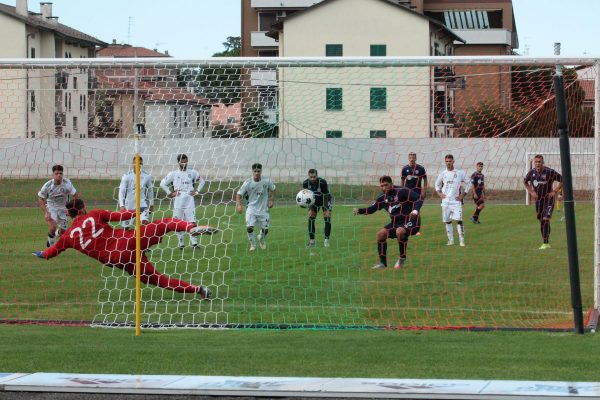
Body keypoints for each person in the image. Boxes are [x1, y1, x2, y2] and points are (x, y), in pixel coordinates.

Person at [31, 199, 215, 299]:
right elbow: (122, 216)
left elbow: (51, 252)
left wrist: (40, 254)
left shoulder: (68, 237)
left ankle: (198, 290)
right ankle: (191, 228)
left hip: (117, 260)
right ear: (82, 209)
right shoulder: (94, 214)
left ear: (70, 215)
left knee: (159, 280)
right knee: (165, 224)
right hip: (127, 242)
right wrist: (137, 211)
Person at [353, 175, 423, 270]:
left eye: (386, 185)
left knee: (400, 231)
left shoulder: (402, 191)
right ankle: (383, 263)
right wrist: (359, 211)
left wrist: (415, 210)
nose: (384, 188)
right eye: (382, 186)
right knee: (380, 234)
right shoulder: (382, 198)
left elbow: (419, 198)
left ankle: (402, 258)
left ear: (391, 184)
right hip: (395, 223)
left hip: (411, 221)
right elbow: (371, 209)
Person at [160, 154, 205, 249]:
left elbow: (202, 181)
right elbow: (162, 184)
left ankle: (194, 244)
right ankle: (181, 244)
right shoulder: (173, 174)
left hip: (189, 199)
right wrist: (170, 193)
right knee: (178, 223)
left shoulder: (192, 172)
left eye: (186, 161)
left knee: (192, 222)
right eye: (182, 162)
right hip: (178, 200)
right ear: (178, 162)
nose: (184, 163)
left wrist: (197, 192)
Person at [523, 154, 563, 250]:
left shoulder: (549, 172)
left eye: (539, 162)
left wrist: (555, 191)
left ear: (543, 162)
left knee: (545, 219)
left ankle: (546, 243)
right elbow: (525, 181)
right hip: (538, 200)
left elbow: (562, 179)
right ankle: (546, 239)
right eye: (536, 162)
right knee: (542, 221)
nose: (537, 164)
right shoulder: (531, 173)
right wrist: (531, 191)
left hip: (548, 199)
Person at [236, 163, 276, 251]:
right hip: (251, 209)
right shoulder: (248, 182)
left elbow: (273, 189)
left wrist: (272, 200)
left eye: (258, 171)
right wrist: (239, 205)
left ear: (261, 171)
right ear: (252, 172)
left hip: (263, 210)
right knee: (249, 228)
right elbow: (239, 194)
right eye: (255, 171)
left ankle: (261, 239)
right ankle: (253, 245)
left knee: (265, 230)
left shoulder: (267, 181)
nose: (257, 173)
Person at [434, 154, 471, 247]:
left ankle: (462, 241)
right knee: (447, 221)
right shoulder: (443, 173)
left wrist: (463, 194)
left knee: (459, 220)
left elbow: (469, 183)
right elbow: (436, 184)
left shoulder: (460, 173)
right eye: (446, 161)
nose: (448, 163)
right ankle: (451, 241)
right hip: (445, 202)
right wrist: (439, 193)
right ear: (445, 162)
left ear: (453, 161)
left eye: (450, 161)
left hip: (456, 201)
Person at [38, 164, 78, 247]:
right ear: (53, 175)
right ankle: (51, 247)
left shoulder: (67, 183)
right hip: (51, 207)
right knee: (52, 228)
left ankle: (53, 237)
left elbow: (75, 195)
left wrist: (71, 208)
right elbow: (40, 198)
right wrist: (46, 212)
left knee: (62, 232)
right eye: (56, 173)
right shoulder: (48, 185)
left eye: (60, 173)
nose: (59, 175)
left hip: (63, 208)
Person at [118, 156, 155, 229]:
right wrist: (122, 205)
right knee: (125, 229)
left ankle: (143, 239)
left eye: (140, 163)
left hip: (142, 204)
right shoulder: (127, 176)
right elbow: (121, 192)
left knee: (144, 223)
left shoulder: (146, 176)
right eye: (136, 163)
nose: (138, 165)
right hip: (129, 205)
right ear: (133, 163)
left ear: (142, 164)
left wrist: (152, 204)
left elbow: (150, 190)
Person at [302, 169, 332, 248]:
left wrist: (326, 209)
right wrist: (309, 207)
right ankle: (312, 242)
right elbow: (306, 197)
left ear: (317, 176)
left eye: (314, 177)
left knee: (327, 217)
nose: (312, 179)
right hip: (314, 202)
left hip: (325, 200)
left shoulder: (322, 182)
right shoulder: (305, 183)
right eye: (311, 177)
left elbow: (325, 195)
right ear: (308, 176)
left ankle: (326, 240)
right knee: (311, 217)